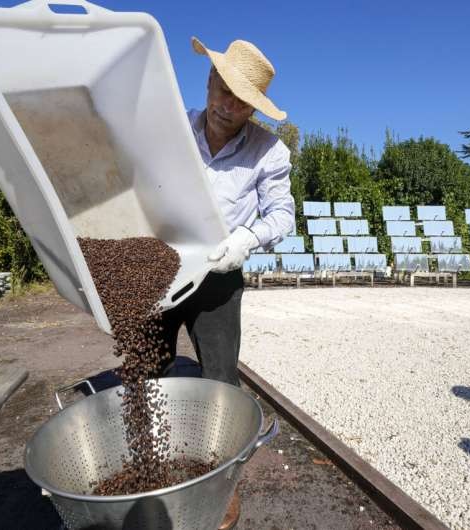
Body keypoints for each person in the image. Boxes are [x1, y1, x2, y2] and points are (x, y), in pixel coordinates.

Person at [159, 36, 294, 529]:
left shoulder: (268, 151)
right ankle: (156, 474)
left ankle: (219, 483)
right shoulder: (172, 128)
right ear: (209, 81)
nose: (227, 106)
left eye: (241, 101)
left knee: (219, 379)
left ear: (254, 107)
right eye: (222, 91)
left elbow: (283, 214)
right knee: (149, 371)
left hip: (219, 275)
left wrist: (247, 238)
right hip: (162, 265)